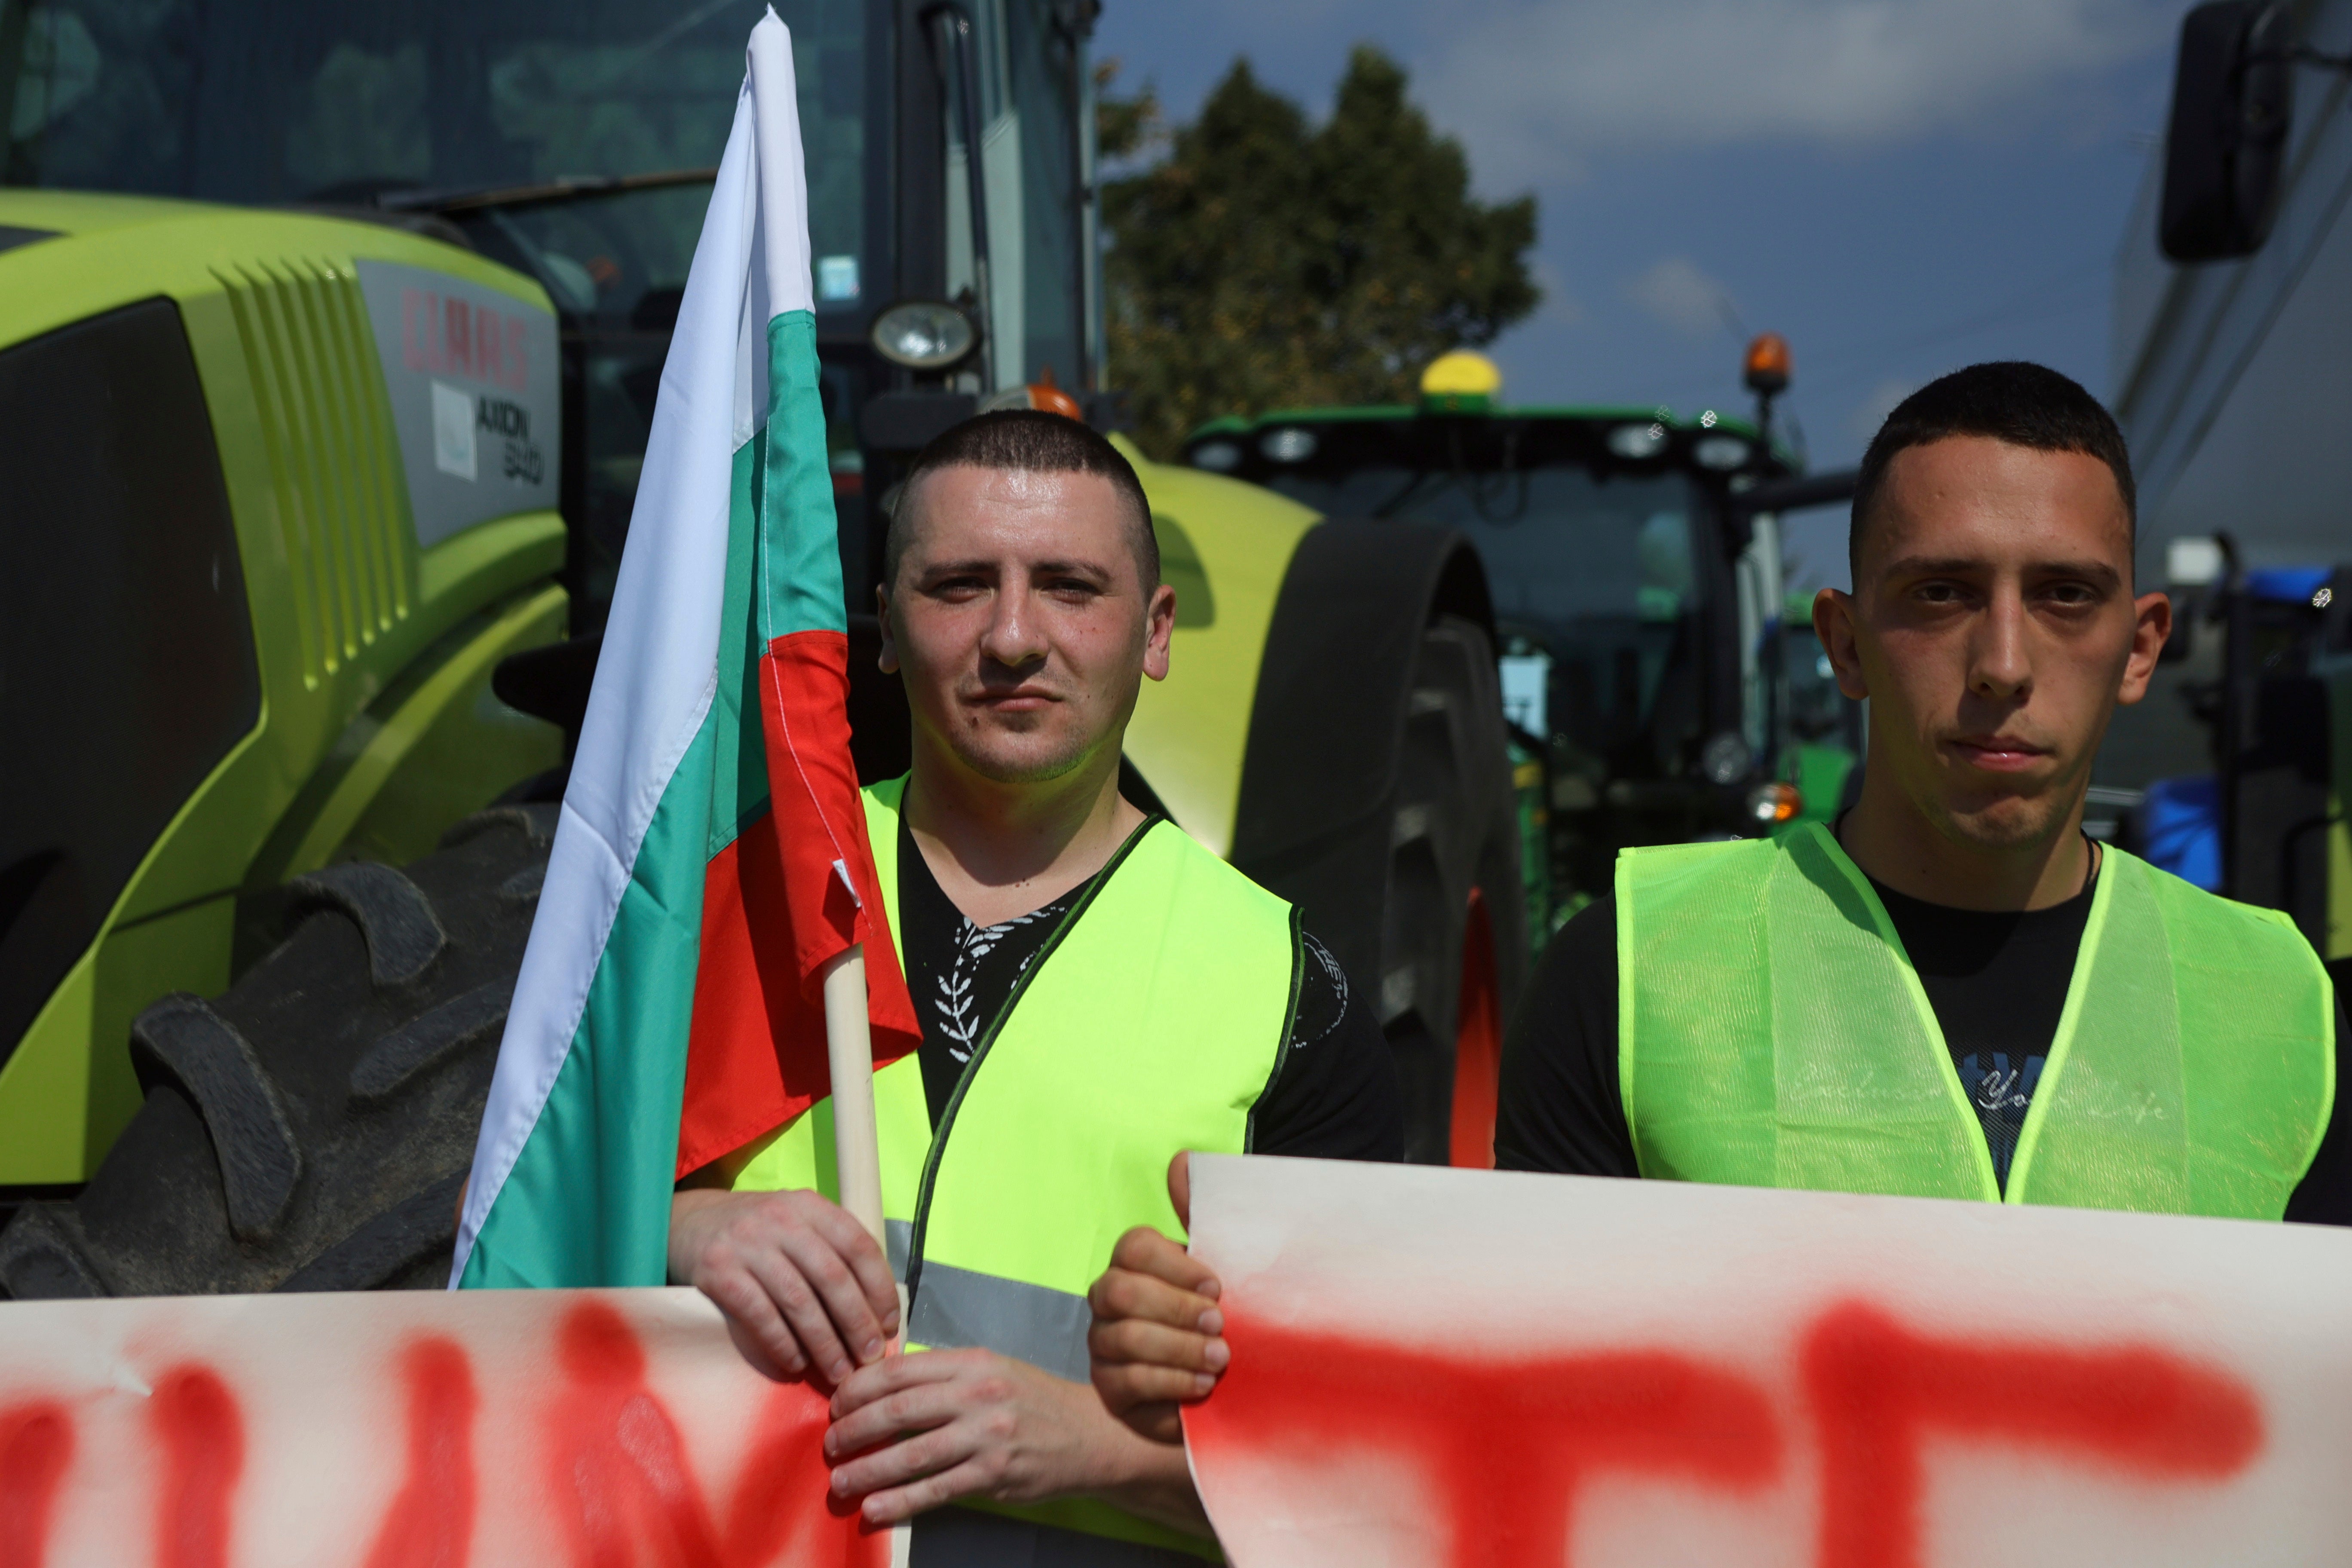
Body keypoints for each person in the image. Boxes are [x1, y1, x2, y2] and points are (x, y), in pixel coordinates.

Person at [1086, 360, 2349, 1439]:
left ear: (2142, 646)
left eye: (2064, 596)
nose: (2005, 664)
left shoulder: (2292, 1008)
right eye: (1942, 594)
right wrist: (1245, 1335)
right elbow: (1510, 1395)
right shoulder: (1630, 972)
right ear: (1844, 640)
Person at [666, 409, 1402, 1562]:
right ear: (887, 632)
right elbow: (513, 1233)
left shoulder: (1289, 991)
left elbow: (1378, 1482)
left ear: (1155, 632)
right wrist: (681, 1229)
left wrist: (1095, 1452)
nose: (1013, 635)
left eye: (1069, 586)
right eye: (960, 586)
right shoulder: (731, 899)